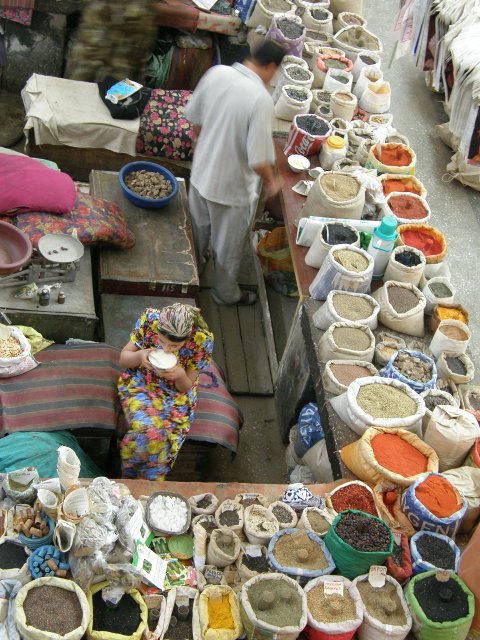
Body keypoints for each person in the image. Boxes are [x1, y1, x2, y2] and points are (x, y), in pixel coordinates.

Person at [185, 40, 286, 306]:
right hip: (231, 192)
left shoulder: (217, 72)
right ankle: (225, 294)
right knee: (227, 250)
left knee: (196, 233)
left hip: (200, 175)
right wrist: (272, 183)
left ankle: (190, 274)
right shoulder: (260, 99)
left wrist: (205, 147)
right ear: (271, 67)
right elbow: (258, 160)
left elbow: (194, 120)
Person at [118, 303, 213, 481]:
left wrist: (179, 374)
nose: (166, 349)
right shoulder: (150, 321)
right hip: (142, 383)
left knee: (163, 440)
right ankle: (131, 478)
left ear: (187, 337)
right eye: (161, 342)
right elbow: (124, 359)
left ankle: (145, 483)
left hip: (175, 395)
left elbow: (185, 386)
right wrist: (140, 356)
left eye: (174, 346)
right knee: (148, 432)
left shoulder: (201, 340)